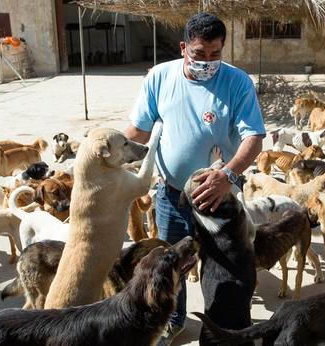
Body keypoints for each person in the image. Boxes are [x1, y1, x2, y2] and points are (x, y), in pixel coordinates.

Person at [124, 12, 265, 345]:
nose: (208, 61)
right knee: (171, 263)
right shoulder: (160, 77)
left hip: (217, 200)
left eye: (215, 54)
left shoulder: (237, 82)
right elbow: (138, 132)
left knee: (225, 272)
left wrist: (228, 175)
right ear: (184, 47)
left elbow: (254, 137)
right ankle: (173, 321)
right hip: (172, 195)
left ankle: (224, 333)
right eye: (200, 54)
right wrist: (106, 152)